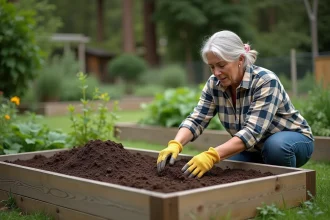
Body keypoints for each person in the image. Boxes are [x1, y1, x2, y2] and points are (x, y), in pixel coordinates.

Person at [156, 30, 314, 178]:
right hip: (253, 148)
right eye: (212, 67)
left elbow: (252, 132)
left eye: (221, 65)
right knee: (226, 168)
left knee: (275, 148)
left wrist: (211, 156)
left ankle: (289, 187)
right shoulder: (214, 84)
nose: (216, 72)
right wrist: (176, 144)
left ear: (240, 59)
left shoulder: (265, 81)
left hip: (292, 141)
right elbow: (197, 119)